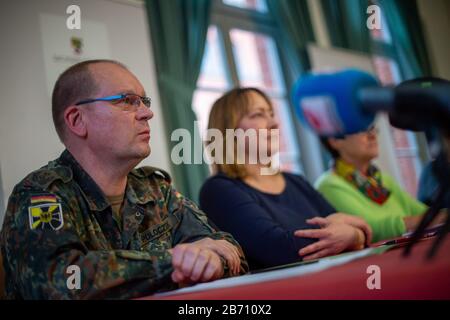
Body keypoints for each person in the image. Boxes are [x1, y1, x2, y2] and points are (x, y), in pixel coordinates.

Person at [0, 60, 248, 299]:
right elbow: (61, 282)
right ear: (77, 120)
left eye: (144, 101)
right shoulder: (40, 193)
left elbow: (226, 248)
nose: (147, 113)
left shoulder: (155, 189)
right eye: (128, 101)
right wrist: (173, 262)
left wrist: (214, 261)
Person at [199, 88, 372, 271]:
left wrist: (354, 235)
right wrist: (352, 235)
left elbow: (349, 228)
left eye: (272, 114)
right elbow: (281, 249)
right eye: (258, 114)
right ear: (229, 131)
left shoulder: (296, 181)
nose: (274, 123)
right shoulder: (218, 190)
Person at [316, 125, 445, 242]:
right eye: (362, 130)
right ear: (334, 140)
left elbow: (423, 212)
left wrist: (440, 216)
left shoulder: (381, 179)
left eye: (373, 129)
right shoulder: (328, 184)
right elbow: (370, 228)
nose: (372, 136)